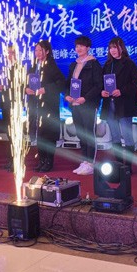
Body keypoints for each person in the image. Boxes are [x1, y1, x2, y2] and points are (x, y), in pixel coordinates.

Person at [100, 37, 137, 173]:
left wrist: (121, 91)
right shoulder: (107, 64)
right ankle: (118, 165)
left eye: (115, 47)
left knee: (127, 137)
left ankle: (128, 166)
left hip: (124, 105)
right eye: (111, 48)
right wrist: (102, 92)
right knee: (115, 136)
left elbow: (136, 83)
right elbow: (101, 83)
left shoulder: (129, 64)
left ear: (121, 48)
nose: (113, 50)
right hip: (109, 105)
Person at [65, 35, 103, 175]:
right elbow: (68, 83)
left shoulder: (94, 64)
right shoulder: (73, 65)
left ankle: (90, 163)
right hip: (75, 104)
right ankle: (84, 162)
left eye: (81, 46)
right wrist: (67, 95)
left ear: (88, 48)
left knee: (89, 133)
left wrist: (85, 98)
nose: (78, 48)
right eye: (77, 46)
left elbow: (98, 85)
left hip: (88, 104)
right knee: (81, 133)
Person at [26, 40, 65, 172]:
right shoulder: (33, 66)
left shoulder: (51, 66)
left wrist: (46, 89)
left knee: (49, 134)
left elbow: (61, 83)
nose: (37, 53)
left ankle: (49, 161)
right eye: (36, 50)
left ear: (47, 51)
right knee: (40, 135)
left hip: (48, 106)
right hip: (35, 105)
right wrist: (26, 89)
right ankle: (41, 160)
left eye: (40, 50)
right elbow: (26, 82)